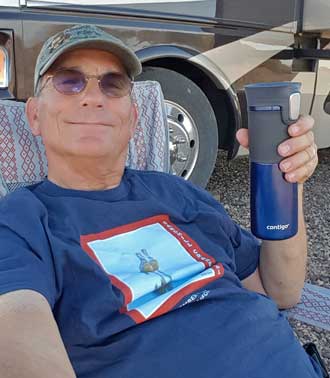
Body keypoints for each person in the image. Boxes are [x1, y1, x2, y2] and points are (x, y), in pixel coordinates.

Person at [0, 24, 321, 378]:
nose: (93, 96)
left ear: (133, 118)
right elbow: (17, 327)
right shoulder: (21, 219)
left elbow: (280, 289)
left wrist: (291, 181)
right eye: (68, 80)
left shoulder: (179, 193)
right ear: (33, 115)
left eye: (113, 83)